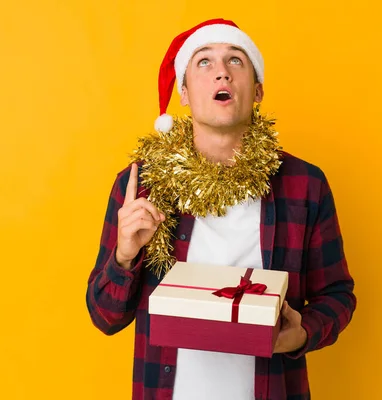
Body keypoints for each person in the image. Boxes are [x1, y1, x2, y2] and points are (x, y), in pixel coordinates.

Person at [86, 18, 356, 400]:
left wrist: (302, 332)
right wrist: (125, 256)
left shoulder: (304, 185)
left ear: (257, 90)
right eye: (204, 62)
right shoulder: (142, 186)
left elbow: (337, 294)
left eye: (236, 61)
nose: (221, 74)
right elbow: (104, 317)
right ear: (183, 92)